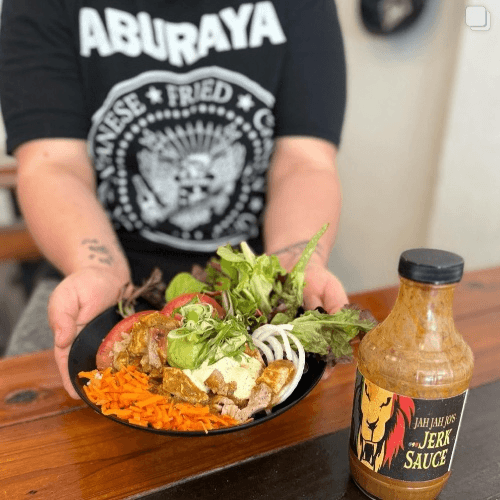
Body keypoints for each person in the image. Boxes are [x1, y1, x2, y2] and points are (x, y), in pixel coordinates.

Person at [0, 0, 348, 398]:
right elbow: (52, 164)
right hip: (93, 267)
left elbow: (305, 161)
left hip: (253, 285)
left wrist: (295, 266)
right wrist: (96, 268)